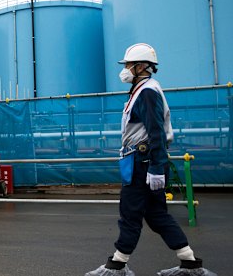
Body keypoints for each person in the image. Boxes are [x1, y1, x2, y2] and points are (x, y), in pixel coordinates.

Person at [85, 43, 216, 276]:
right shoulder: (142, 90)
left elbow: (155, 131)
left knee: (130, 211)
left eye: (128, 65)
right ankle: (190, 262)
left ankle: (117, 265)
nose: (125, 69)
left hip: (143, 161)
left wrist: (156, 167)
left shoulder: (146, 91)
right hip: (145, 160)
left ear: (142, 66)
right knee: (156, 215)